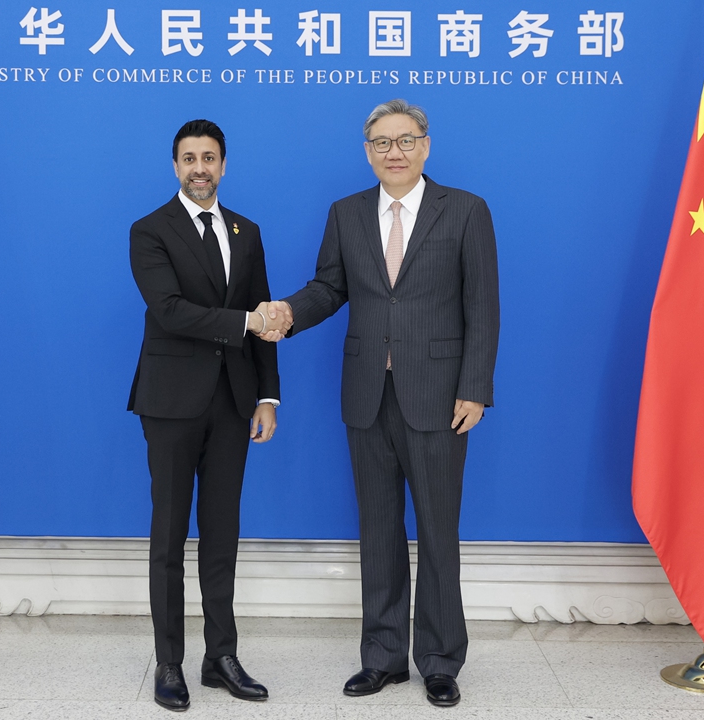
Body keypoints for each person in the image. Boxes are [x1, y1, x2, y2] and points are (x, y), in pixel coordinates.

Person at [266, 99, 500, 707]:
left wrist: (475, 387)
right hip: (367, 394)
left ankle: (442, 659)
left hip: (441, 397)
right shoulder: (346, 214)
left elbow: (484, 305)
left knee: (438, 531)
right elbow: (328, 287)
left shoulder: (467, 211)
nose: (393, 152)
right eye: (381, 143)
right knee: (377, 530)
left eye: (404, 140)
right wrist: (289, 313)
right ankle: (383, 656)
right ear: (367, 151)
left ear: (426, 145)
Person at [128, 118, 290, 712]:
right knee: (169, 536)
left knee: (223, 535)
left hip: (232, 403)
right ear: (175, 166)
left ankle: (220, 655)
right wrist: (247, 322)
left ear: (224, 165)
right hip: (170, 403)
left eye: (210, 157)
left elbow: (265, 318)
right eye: (189, 158)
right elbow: (169, 311)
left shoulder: (247, 232)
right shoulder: (149, 230)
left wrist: (267, 396)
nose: (200, 167)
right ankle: (168, 662)